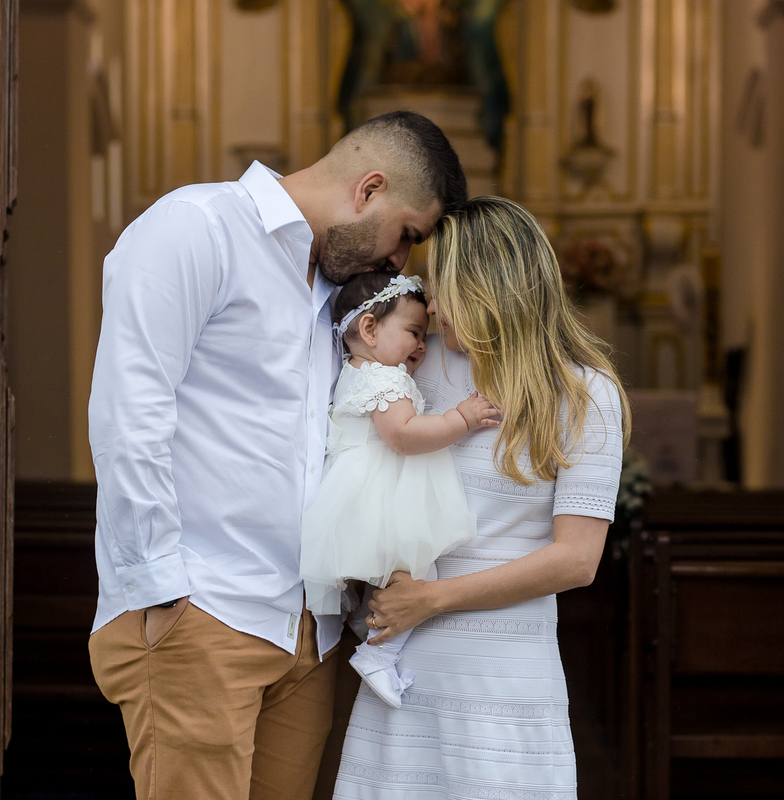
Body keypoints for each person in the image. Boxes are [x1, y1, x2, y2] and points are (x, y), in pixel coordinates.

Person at [86, 111, 466, 800]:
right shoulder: (196, 227)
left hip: (306, 632)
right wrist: (161, 589)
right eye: (406, 234)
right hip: (206, 608)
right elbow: (129, 411)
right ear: (369, 188)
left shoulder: (339, 296)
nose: (399, 261)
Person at [331, 196, 629, 798]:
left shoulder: (583, 393)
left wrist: (432, 599)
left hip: (506, 673)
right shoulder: (416, 362)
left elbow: (576, 560)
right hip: (405, 669)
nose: (432, 305)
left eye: (447, 288)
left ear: (492, 289)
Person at [299, 271, 499, 709]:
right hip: (382, 490)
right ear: (370, 329)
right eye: (413, 332)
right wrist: (460, 420)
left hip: (363, 488)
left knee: (399, 576)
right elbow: (404, 436)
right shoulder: (383, 379)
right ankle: (378, 653)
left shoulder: (358, 370)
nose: (422, 346)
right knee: (419, 575)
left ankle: (370, 634)